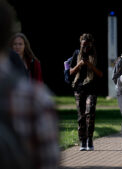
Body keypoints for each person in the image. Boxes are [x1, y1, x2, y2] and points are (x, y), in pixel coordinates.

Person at [0, 1, 60, 168]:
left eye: (20, 44)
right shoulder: (35, 99)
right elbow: (48, 160)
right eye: (15, 44)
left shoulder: (34, 64)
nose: (18, 47)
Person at [69, 33, 103, 151]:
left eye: (87, 45)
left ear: (91, 44)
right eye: (83, 45)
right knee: (81, 116)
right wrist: (79, 64)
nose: (85, 48)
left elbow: (100, 74)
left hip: (92, 88)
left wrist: (89, 64)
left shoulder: (95, 55)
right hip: (79, 88)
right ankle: (82, 141)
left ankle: (90, 139)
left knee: (90, 113)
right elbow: (70, 72)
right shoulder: (76, 54)